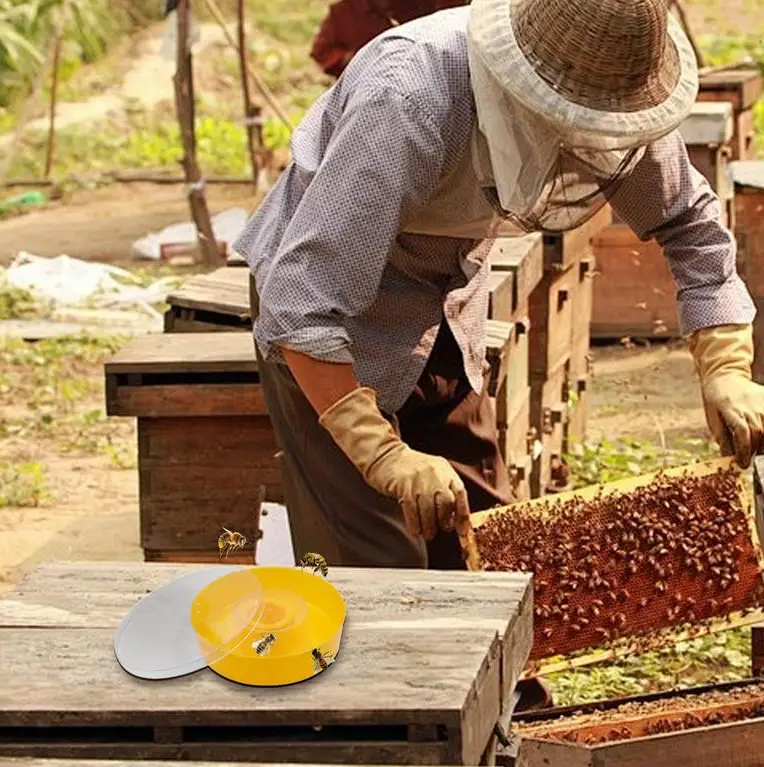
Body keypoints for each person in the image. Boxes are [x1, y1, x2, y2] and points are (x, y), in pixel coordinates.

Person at [234, 0, 764, 711]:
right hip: (327, 317)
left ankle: (518, 728)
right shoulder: (411, 91)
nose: (586, 138)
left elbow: (692, 227)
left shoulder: (619, 100)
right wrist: (380, 451)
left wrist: (726, 362)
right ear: (523, 83)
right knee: (380, 576)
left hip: (445, 297)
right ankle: (404, 754)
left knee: (490, 537)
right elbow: (302, 303)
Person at [310, 0, 464, 78]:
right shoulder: (344, 12)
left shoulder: (417, 6)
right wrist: (355, 61)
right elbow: (321, 51)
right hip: (366, 90)